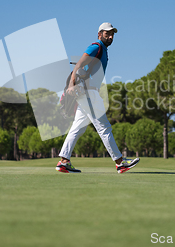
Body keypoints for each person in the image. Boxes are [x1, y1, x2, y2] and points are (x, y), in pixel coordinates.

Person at [56, 22, 140, 173]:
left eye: (112, 34)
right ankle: (120, 163)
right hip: (88, 92)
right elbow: (79, 64)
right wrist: (71, 85)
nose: (110, 36)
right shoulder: (96, 46)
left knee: (78, 128)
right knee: (104, 128)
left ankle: (64, 161)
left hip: (87, 92)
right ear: (99, 34)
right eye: (107, 33)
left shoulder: (103, 50)